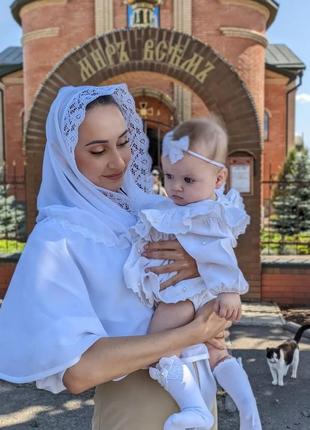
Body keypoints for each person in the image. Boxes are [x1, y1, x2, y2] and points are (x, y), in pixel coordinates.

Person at [0, 85, 227, 430]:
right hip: (138, 409)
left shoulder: (149, 212)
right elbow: (79, 371)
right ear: (66, 157)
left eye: (123, 142)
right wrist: (192, 333)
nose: (119, 161)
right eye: (97, 150)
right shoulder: (58, 238)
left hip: (199, 397)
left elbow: (218, 234)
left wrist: (201, 265)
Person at [124, 117, 262, 430]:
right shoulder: (192, 207)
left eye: (188, 180)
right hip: (201, 293)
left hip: (183, 293)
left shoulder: (205, 213)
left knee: (159, 349)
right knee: (218, 352)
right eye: (169, 176)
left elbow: (220, 251)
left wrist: (229, 290)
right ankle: (250, 414)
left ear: (218, 179)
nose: (175, 187)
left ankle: (195, 408)